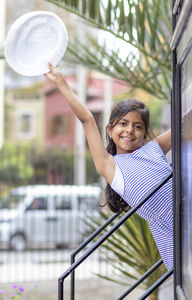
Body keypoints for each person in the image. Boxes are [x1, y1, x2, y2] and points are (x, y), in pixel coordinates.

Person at [45, 64, 173, 271]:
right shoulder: (110, 166)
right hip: (175, 238)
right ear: (110, 129)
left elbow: (186, 124)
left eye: (138, 126)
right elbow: (87, 119)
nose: (130, 130)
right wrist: (61, 83)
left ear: (145, 133)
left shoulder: (154, 148)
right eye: (123, 124)